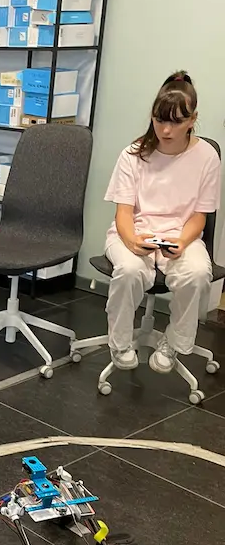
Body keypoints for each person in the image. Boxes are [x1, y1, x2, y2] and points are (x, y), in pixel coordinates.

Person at [103, 70, 220, 373]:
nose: (166, 130)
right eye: (159, 120)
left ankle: (174, 342)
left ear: (193, 120)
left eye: (176, 122)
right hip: (134, 231)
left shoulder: (207, 157)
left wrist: (182, 242)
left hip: (180, 234)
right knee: (129, 270)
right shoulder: (133, 154)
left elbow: (200, 216)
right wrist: (132, 241)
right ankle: (120, 342)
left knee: (197, 272)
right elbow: (123, 213)